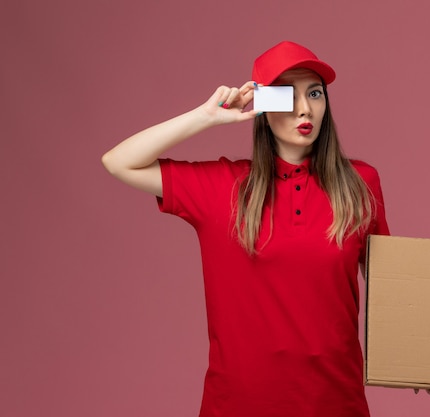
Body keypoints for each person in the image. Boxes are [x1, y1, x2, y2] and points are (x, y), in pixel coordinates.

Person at [102, 41, 389, 417]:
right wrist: (205, 117)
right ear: (263, 106)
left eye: (315, 93)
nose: (305, 108)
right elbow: (118, 162)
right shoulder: (223, 187)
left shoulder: (360, 183)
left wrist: (429, 362)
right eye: (287, 95)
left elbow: (391, 288)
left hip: (336, 405)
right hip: (237, 406)